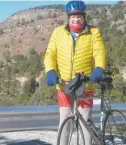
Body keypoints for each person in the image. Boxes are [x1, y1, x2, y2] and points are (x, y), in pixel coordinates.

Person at [44, 1, 106, 145]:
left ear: (84, 17)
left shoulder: (93, 32)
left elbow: (99, 51)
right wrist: (50, 71)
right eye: (72, 16)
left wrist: (99, 68)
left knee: (85, 122)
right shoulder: (58, 32)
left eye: (79, 16)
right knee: (64, 121)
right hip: (64, 85)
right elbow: (50, 53)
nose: (76, 19)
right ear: (68, 17)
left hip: (85, 84)